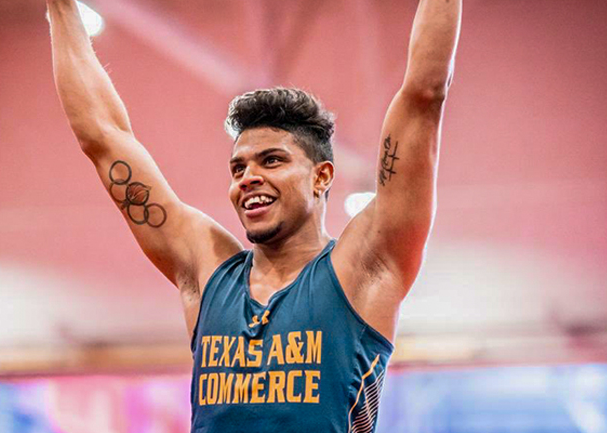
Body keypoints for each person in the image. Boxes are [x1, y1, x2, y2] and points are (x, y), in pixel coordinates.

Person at [47, 0, 461, 431]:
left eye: (272, 161)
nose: (248, 178)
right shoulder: (207, 269)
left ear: (322, 177)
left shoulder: (363, 267)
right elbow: (102, 135)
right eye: (238, 168)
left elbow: (424, 94)